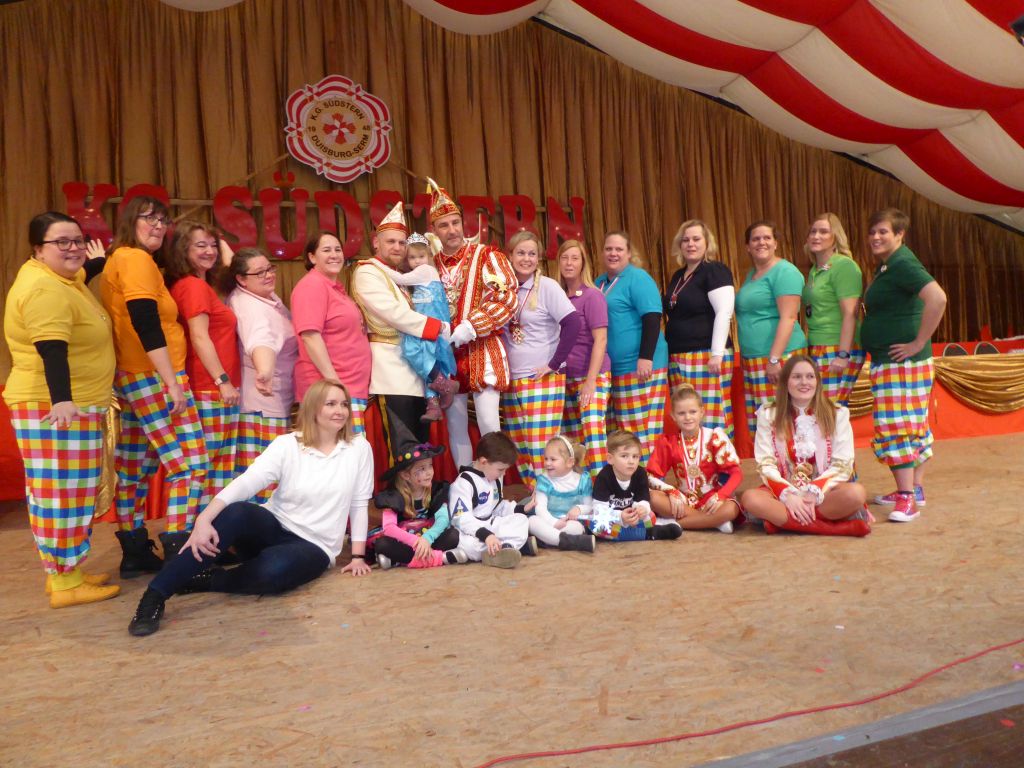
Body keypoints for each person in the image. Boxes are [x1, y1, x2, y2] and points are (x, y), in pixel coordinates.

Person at [127, 379, 374, 637]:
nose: (340, 411)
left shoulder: (359, 448)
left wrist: (357, 556)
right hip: (275, 524)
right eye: (331, 404)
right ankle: (154, 596)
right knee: (237, 512)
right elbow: (248, 482)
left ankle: (210, 579)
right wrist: (204, 518)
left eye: (344, 404)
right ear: (313, 408)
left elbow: (359, 503)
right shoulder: (288, 444)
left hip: (314, 545)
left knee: (274, 570)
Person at [3, 212, 120, 607]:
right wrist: (62, 400)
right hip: (56, 408)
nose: (74, 249)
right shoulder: (45, 289)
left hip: (72, 405)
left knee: (73, 491)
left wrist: (97, 262)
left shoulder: (62, 278)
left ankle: (67, 573)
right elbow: (52, 348)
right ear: (38, 249)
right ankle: (66, 583)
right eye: (62, 242)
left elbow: (81, 271)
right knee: (60, 495)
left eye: (78, 240)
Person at [100, 196, 208, 572]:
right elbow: (144, 320)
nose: (158, 226)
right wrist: (171, 382)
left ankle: (134, 550)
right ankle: (181, 554)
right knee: (190, 465)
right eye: (149, 218)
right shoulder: (135, 259)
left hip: (133, 376)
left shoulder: (120, 258)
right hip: (154, 375)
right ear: (130, 222)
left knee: (135, 466)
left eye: (163, 220)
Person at [861, 208, 947, 522]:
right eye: (872, 232)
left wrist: (917, 341)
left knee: (895, 426)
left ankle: (907, 497)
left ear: (900, 234)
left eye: (883, 231)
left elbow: (938, 298)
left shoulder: (902, 264)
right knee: (912, 425)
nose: (875, 237)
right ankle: (915, 488)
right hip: (897, 362)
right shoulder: (890, 264)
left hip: (901, 363)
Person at [427, 178, 519, 468]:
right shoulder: (429, 265)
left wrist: (472, 326)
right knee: (455, 426)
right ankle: (466, 484)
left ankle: (495, 486)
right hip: (447, 355)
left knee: (489, 423)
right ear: (434, 230)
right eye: (444, 225)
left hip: (482, 350)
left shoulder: (486, 255)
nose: (452, 230)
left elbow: (506, 297)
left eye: (455, 223)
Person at [351, 203, 451, 447]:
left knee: (421, 447)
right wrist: (435, 327)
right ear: (376, 242)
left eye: (401, 242)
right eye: (390, 241)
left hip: (414, 371)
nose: (397, 247)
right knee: (404, 450)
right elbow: (393, 313)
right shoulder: (368, 272)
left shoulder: (401, 275)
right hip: (392, 372)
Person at [740, 355, 871, 536]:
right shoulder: (768, 414)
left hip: (824, 493)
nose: (804, 382)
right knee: (751, 498)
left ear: (817, 382)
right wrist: (788, 495)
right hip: (783, 492)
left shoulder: (837, 414)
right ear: (786, 382)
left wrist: (814, 491)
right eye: (797, 377)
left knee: (856, 493)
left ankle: (782, 522)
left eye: (810, 376)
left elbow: (842, 464)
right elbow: (765, 463)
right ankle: (837, 529)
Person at [166, 220, 241, 507]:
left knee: (217, 467)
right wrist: (222, 381)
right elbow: (199, 336)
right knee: (211, 466)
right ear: (182, 249)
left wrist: (218, 240)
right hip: (209, 387)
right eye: (200, 245)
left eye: (213, 245)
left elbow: (231, 265)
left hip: (214, 387)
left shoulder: (199, 284)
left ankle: (210, 528)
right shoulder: (193, 286)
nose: (210, 251)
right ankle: (200, 527)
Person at [501, 230, 581, 486]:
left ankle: (550, 495)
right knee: (520, 446)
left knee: (541, 447)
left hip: (542, 379)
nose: (526, 259)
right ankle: (536, 495)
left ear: (539, 259)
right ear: (510, 256)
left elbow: (573, 323)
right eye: (521, 253)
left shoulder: (547, 286)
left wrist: (554, 364)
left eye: (532, 254)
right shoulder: (503, 289)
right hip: (513, 380)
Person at [221, 246, 298, 498]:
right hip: (262, 407)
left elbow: (232, 261)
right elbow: (260, 340)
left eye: (270, 268)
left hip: (273, 402)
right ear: (241, 279)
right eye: (260, 272)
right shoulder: (250, 306)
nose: (269, 275)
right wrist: (264, 371)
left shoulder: (260, 294)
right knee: (264, 480)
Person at [594, 231, 669, 462]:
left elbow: (652, 317)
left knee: (643, 428)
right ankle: (633, 475)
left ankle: (649, 475)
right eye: (609, 249)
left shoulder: (638, 278)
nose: (613, 253)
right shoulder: (599, 282)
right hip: (615, 369)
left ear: (629, 253)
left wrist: (645, 357)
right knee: (626, 429)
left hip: (641, 366)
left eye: (619, 249)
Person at [291, 232, 371, 432]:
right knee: (334, 450)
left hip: (348, 389)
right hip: (329, 391)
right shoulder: (311, 286)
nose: (334, 255)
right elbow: (310, 337)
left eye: (338, 249)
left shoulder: (334, 287)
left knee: (349, 449)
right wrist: (334, 384)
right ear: (312, 257)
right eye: (326, 250)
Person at [663, 219, 736, 437]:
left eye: (696, 239)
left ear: (707, 243)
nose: (690, 244)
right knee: (686, 416)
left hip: (706, 355)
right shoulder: (678, 276)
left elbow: (724, 312)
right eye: (685, 240)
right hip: (678, 356)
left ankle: (719, 456)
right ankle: (692, 457)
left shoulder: (714, 270)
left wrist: (716, 354)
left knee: (711, 415)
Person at [735, 221, 807, 436]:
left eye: (767, 238)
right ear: (747, 247)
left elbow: (789, 317)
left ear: (776, 243)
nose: (761, 242)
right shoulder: (752, 274)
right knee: (764, 425)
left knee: (782, 423)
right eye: (755, 239)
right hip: (754, 360)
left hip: (779, 357)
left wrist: (775, 360)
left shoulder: (785, 271)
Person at [647, 384, 742, 533]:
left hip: (712, 499)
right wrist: (671, 491)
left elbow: (737, 473)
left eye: (693, 412)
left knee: (731, 509)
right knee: (653, 497)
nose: (688, 417)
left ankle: (673, 522)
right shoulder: (668, 442)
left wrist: (721, 496)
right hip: (682, 501)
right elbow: (650, 476)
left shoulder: (714, 437)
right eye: (681, 413)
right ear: (673, 416)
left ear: (702, 412)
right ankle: (715, 522)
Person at [370, 435, 465, 570]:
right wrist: (416, 542)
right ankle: (440, 558)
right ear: (406, 475)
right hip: (406, 538)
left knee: (453, 535)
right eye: (421, 469)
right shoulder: (393, 495)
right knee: (382, 544)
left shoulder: (436, 490)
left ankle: (398, 561)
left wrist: (427, 538)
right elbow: (389, 527)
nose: (429, 473)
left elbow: (443, 519)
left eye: (430, 466)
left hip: (428, 535)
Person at [557, 239, 611, 477]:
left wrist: (590, 382)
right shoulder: (557, 296)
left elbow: (601, 339)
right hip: (565, 378)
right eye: (564, 258)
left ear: (583, 263)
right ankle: (578, 486)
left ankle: (601, 485)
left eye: (574, 258)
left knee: (593, 430)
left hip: (592, 375)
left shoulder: (592, 296)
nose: (569, 263)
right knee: (571, 438)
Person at [802, 213, 865, 405]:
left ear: (835, 237)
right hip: (818, 345)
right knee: (820, 410)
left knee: (830, 409)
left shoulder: (844, 266)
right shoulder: (815, 269)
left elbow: (850, 313)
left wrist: (843, 354)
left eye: (823, 232)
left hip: (837, 346)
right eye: (813, 231)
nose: (816, 236)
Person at [448, 431, 530, 568]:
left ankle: (507, 548)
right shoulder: (463, 483)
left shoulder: (493, 478)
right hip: (472, 531)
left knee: (521, 520)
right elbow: (461, 519)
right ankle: (504, 549)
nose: (504, 474)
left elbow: (498, 507)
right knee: (468, 546)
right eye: (501, 469)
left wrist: (521, 508)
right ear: (484, 462)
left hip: (490, 524)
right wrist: (486, 535)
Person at [584, 430, 682, 542]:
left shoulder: (640, 474)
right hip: (613, 518)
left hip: (633, 519)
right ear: (610, 459)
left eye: (635, 456)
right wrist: (620, 516)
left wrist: (641, 509)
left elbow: (643, 499)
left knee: (650, 516)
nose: (631, 461)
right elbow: (600, 510)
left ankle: (624, 535)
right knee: (594, 524)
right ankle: (649, 533)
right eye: (624, 456)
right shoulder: (604, 477)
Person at [527, 435, 596, 553]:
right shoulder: (544, 480)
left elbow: (590, 506)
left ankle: (547, 540)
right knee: (532, 521)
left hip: (569, 523)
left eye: (553, 459)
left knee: (576, 528)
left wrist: (579, 509)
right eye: (546, 459)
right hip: (548, 521)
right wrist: (554, 523)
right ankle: (568, 541)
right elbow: (540, 509)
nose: (547, 463)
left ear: (569, 462)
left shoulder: (582, 480)